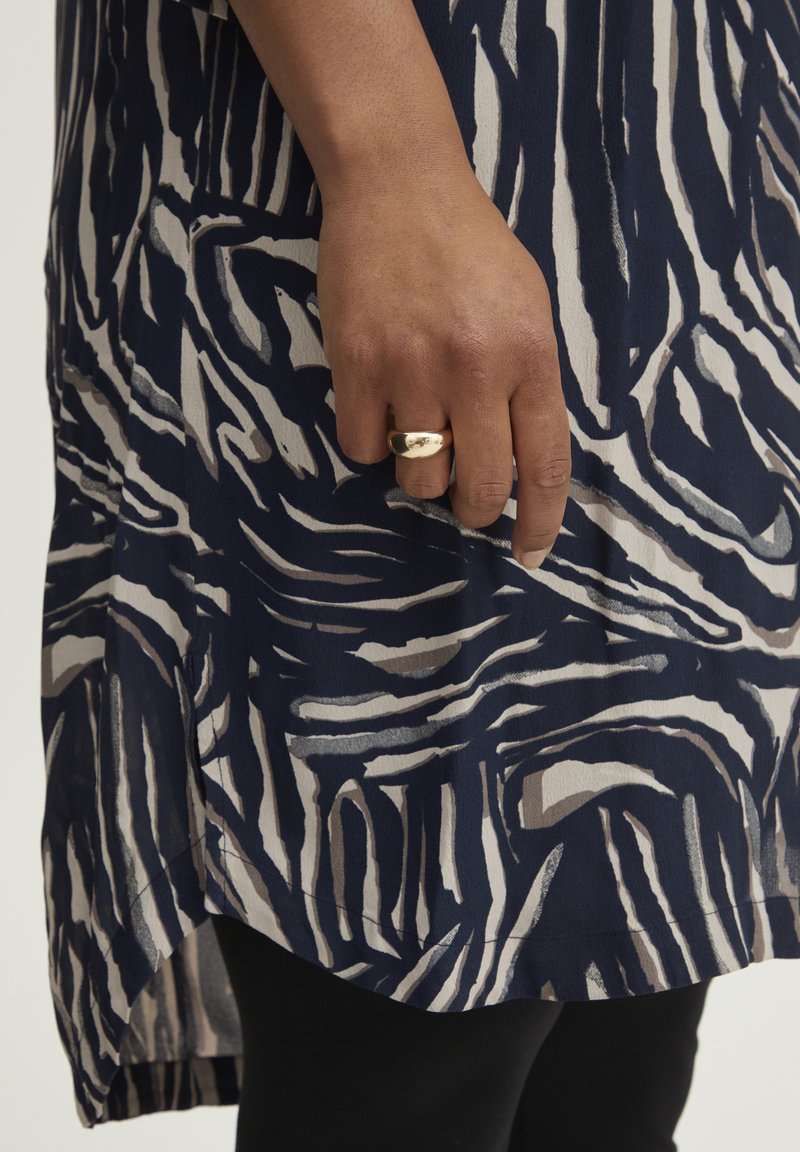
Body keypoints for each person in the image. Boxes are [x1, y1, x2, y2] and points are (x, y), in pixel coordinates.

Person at [39, 0, 799, 1148]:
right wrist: (391, 162)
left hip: (687, 163)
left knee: (621, 1018)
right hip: (397, 131)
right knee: (416, 1014)